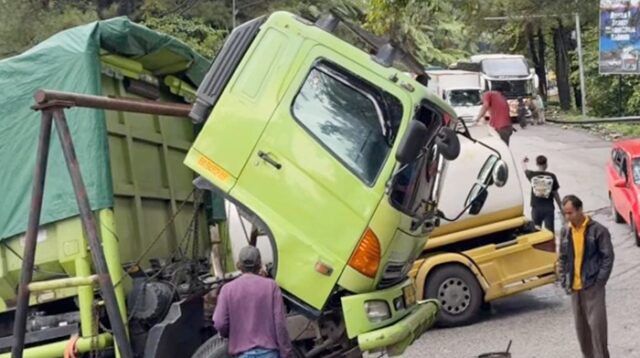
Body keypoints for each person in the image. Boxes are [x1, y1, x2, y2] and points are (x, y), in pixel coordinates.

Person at [558, 195, 615, 358]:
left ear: (580, 210)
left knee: (597, 332)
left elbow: (608, 257)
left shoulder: (598, 231)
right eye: (565, 214)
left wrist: (599, 282)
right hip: (575, 290)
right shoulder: (565, 231)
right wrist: (564, 280)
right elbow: (562, 258)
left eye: (570, 213)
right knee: (582, 335)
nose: (567, 217)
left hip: (592, 288)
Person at [213, 246, 293, 358]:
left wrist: (229, 334)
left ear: (238, 265)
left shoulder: (227, 290)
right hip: (269, 354)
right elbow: (280, 324)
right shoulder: (271, 286)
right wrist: (286, 353)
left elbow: (219, 322)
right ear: (260, 264)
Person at [523, 155, 562, 234]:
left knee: (536, 232)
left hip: (536, 209)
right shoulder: (551, 176)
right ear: (546, 164)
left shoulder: (532, 175)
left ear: (536, 164)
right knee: (550, 233)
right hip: (549, 209)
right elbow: (555, 194)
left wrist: (524, 161)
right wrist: (561, 208)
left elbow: (524, 169)